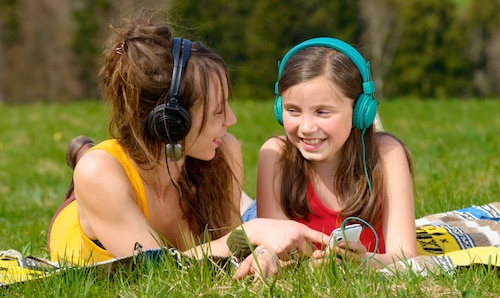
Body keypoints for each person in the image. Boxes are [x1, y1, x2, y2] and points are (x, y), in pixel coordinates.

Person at [48, 16, 328, 279]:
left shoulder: (224, 151)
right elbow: (157, 270)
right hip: (95, 203)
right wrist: (249, 232)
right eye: (218, 111)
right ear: (172, 121)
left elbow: (227, 259)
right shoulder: (97, 173)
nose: (232, 120)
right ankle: (84, 157)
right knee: (96, 166)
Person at [256, 37, 417, 268]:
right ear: (279, 110)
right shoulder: (275, 155)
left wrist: (363, 262)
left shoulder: (387, 154)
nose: (306, 127)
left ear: (361, 111)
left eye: (322, 112)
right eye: (293, 110)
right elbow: (275, 250)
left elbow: (406, 256)